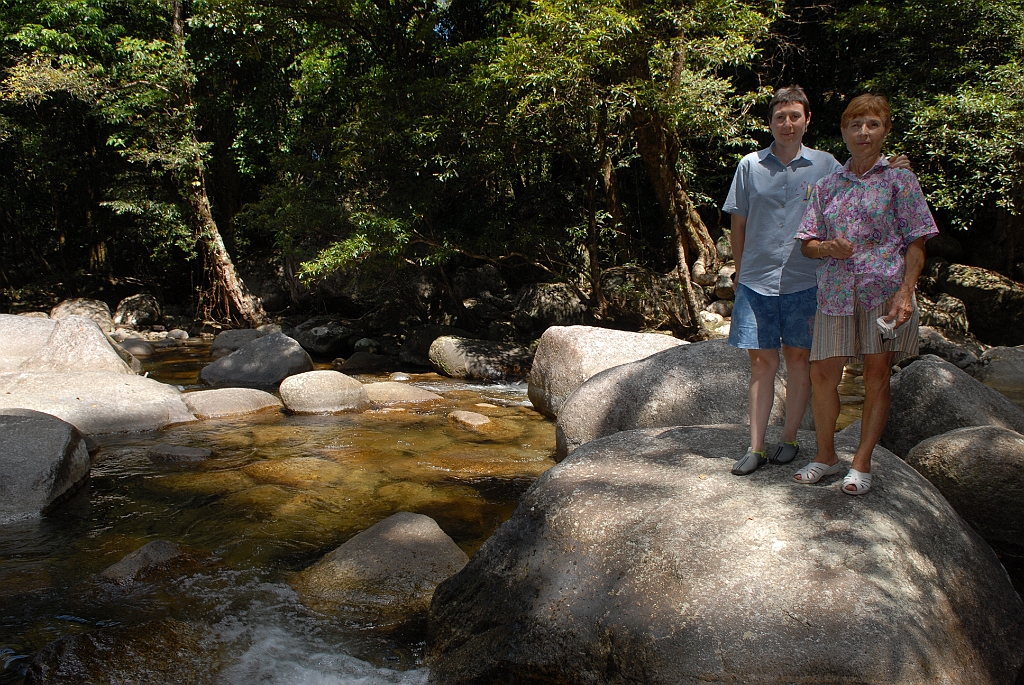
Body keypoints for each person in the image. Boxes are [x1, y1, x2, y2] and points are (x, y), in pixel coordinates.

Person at [793, 93, 937, 495]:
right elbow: (807, 242)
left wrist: (906, 292)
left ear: (885, 131)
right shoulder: (826, 186)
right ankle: (825, 455)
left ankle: (862, 462)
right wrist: (826, 248)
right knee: (823, 374)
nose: (863, 132)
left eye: (872, 124)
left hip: (884, 292)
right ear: (843, 131)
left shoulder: (900, 180)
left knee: (876, 376)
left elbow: (917, 241)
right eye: (855, 125)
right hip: (835, 292)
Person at [723, 85, 842, 476]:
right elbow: (737, 223)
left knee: (799, 360)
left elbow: (859, 192)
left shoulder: (827, 166)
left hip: (807, 281)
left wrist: (894, 168)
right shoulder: (750, 166)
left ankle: (789, 438)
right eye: (779, 117)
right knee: (761, 363)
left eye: (794, 116)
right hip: (757, 280)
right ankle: (755, 446)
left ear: (807, 119)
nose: (787, 124)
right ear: (770, 122)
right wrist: (741, 273)